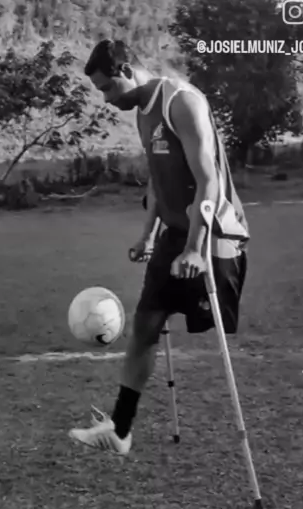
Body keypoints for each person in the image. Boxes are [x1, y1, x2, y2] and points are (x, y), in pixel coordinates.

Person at [69, 39, 249, 455]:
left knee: (212, 330)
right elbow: (157, 177)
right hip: (173, 235)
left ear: (126, 70)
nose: (107, 99)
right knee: (145, 326)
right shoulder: (142, 112)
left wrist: (195, 248)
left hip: (213, 236)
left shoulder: (181, 102)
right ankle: (120, 431)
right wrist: (149, 234)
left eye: (107, 88)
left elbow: (208, 180)